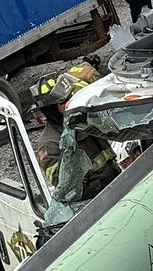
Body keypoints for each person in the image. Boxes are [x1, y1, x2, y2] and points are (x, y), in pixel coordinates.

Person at [34, 69, 118, 199]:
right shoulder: (49, 144)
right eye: (62, 101)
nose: (69, 102)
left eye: (68, 97)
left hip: (117, 182)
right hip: (94, 200)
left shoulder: (81, 119)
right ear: (50, 110)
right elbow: (63, 184)